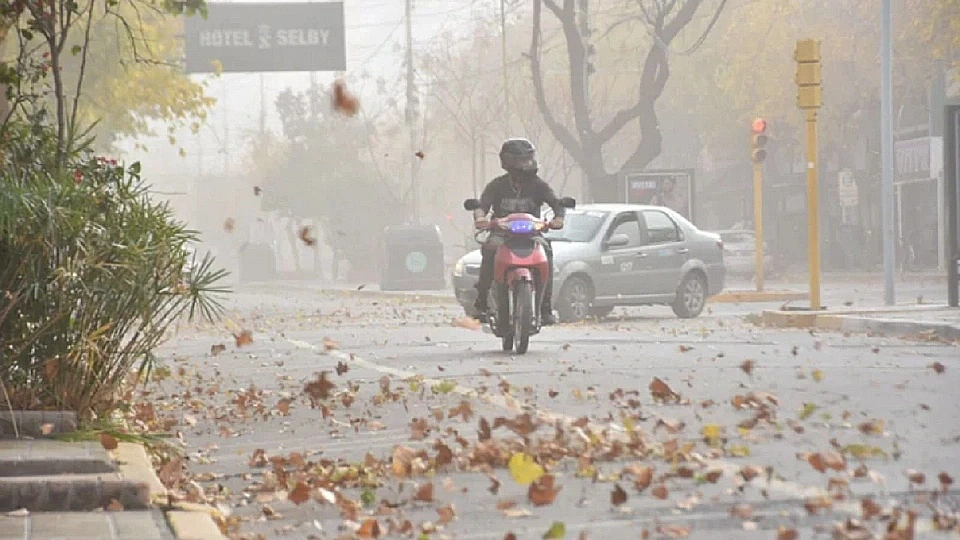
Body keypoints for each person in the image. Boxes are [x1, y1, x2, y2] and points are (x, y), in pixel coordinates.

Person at [473, 138, 566, 325]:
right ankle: (481, 301)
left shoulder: (538, 185)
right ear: (508, 162)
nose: (526, 163)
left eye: (528, 159)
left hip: (532, 234)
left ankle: (545, 308)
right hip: (502, 234)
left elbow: (556, 204)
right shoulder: (497, 185)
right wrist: (480, 218)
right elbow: (481, 205)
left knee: (547, 252)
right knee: (489, 250)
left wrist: (558, 218)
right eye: (521, 160)